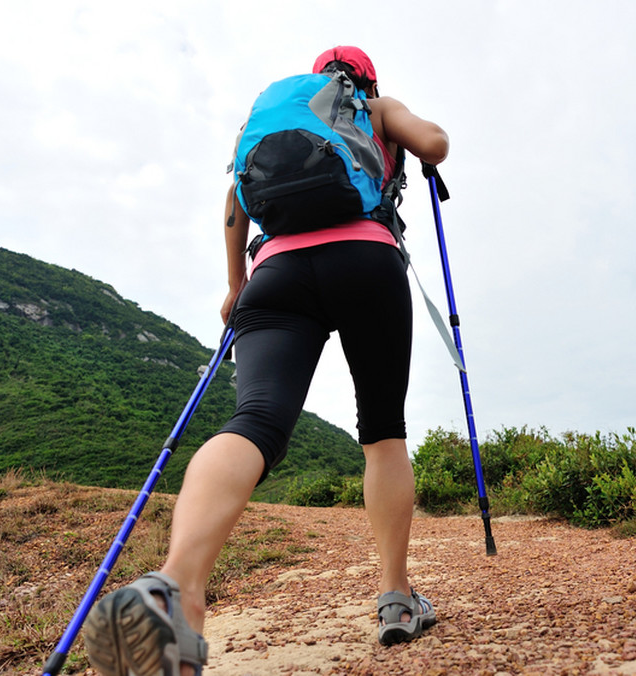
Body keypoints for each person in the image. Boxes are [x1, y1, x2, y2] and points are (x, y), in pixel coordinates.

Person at [82, 46, 450, 676]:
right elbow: (436, 144)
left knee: (255, 419)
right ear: (363, 81)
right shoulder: (374, 108)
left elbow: (235, 199)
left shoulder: (275, 120)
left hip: (273, 273)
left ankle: (176, 585)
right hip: (366, 260)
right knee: (383, 430)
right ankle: (395, 599)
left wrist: (234, 287)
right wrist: (408, 142)